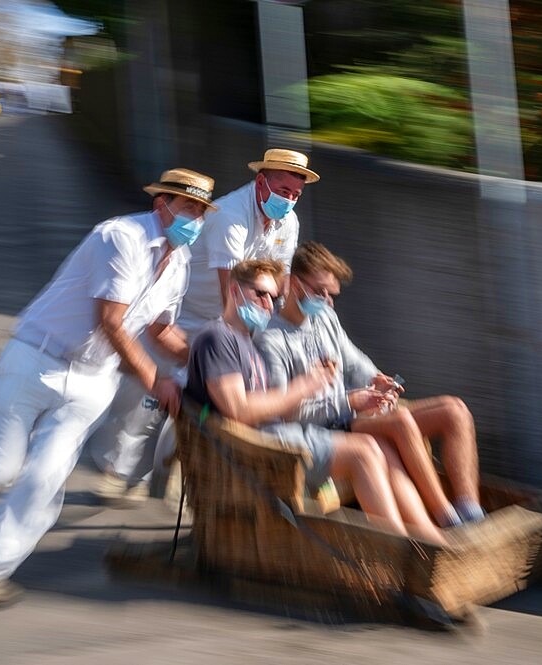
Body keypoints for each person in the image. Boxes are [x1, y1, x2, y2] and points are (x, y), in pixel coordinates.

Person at [0, 168, 218, 607]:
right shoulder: (121, 237)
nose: (195, 219)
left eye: (201, 211)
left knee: (44, 480)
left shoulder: (178, 263)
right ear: (162, 205)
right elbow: (112, 322)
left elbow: (161, 332)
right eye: (188, 208)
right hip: (35, 359)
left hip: (92, 382)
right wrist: (156, 381)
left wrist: (206, 364)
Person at [89, 148, 319, 501]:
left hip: (229, 323)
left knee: (203, 403)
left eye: (295, 195)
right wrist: (246, 342)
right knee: (146, 399)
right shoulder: (231, 216)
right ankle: (115, 469)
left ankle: (167, 469)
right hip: (185, 316)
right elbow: (231, 291)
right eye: (283, 191)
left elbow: (280, 280)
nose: (288, 200)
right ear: (261, 182)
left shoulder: (289, 222)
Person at [186, 258, 450, 545]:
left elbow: (350, 361)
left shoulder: (244, 338)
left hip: (279, 433)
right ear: (235, 291)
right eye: (259, 294)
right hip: (255, 444)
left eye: (273, 297)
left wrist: (356, 386)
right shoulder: (218, 337)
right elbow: (238, 410)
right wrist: (306, 387)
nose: (267, 305)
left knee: (376, 446)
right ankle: (398, 550)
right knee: (365, 451)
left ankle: (424, 540)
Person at [254, 242, 485, 528]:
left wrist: (377, 380)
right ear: (293, 284)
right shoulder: (270, 339)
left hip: (352, 414)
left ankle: (470, 510)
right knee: (400, 420)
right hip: (325, 428)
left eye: (331, 294)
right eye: (319, 291)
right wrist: (349, 401)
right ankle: (446, 517)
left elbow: (353, 361)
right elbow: (285, 411)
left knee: (455, 410)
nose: (327, 300)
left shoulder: (324, 317)